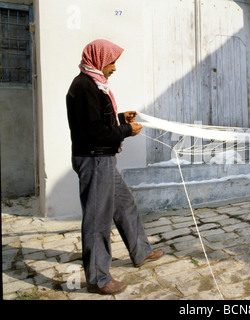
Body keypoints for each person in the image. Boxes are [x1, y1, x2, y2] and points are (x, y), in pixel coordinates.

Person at [66, 39, 164, 295]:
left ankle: (140, 251)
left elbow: (97, 120)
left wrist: (122, 118)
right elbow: (94, 132)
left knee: (125, 204)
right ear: (99, 59)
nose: (114, 68)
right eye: (112, 62)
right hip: (94, 158)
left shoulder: (94, 84)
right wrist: (126, 131)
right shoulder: (85, 87)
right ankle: (98, 278)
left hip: (103, 158)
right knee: (98, 219)